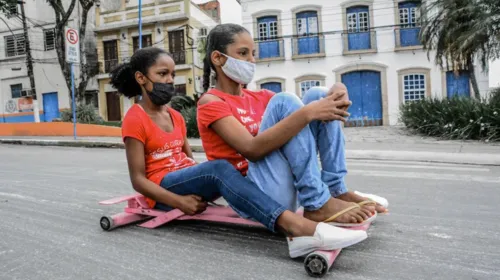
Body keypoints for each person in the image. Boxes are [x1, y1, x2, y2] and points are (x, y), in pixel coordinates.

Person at [108, 46, 368, 259]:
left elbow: (187, 159)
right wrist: (179, 202)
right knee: (220, 168)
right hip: (163, 188)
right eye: (162, 74)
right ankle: (294, 226)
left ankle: (330, 193)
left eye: (172, 74)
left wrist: (205, 183)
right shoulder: (135, 118)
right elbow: (138, 179)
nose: (169, 80)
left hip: (185, 178)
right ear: (141, 78)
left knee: (217, 170)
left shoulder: (174, 115)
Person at [197, 24, 389, 228]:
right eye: (243, 54)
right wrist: (308, 113)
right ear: (218, 58)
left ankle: (335, 190)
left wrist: (336, 91)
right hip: (253, 195)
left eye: (253, 54)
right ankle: (317, 203)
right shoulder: (211, 102)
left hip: (285, 185)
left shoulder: (262, 97)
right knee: (287, 101)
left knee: (319, 94)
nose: (252, 61)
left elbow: (302, 120)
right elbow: (251, 150)